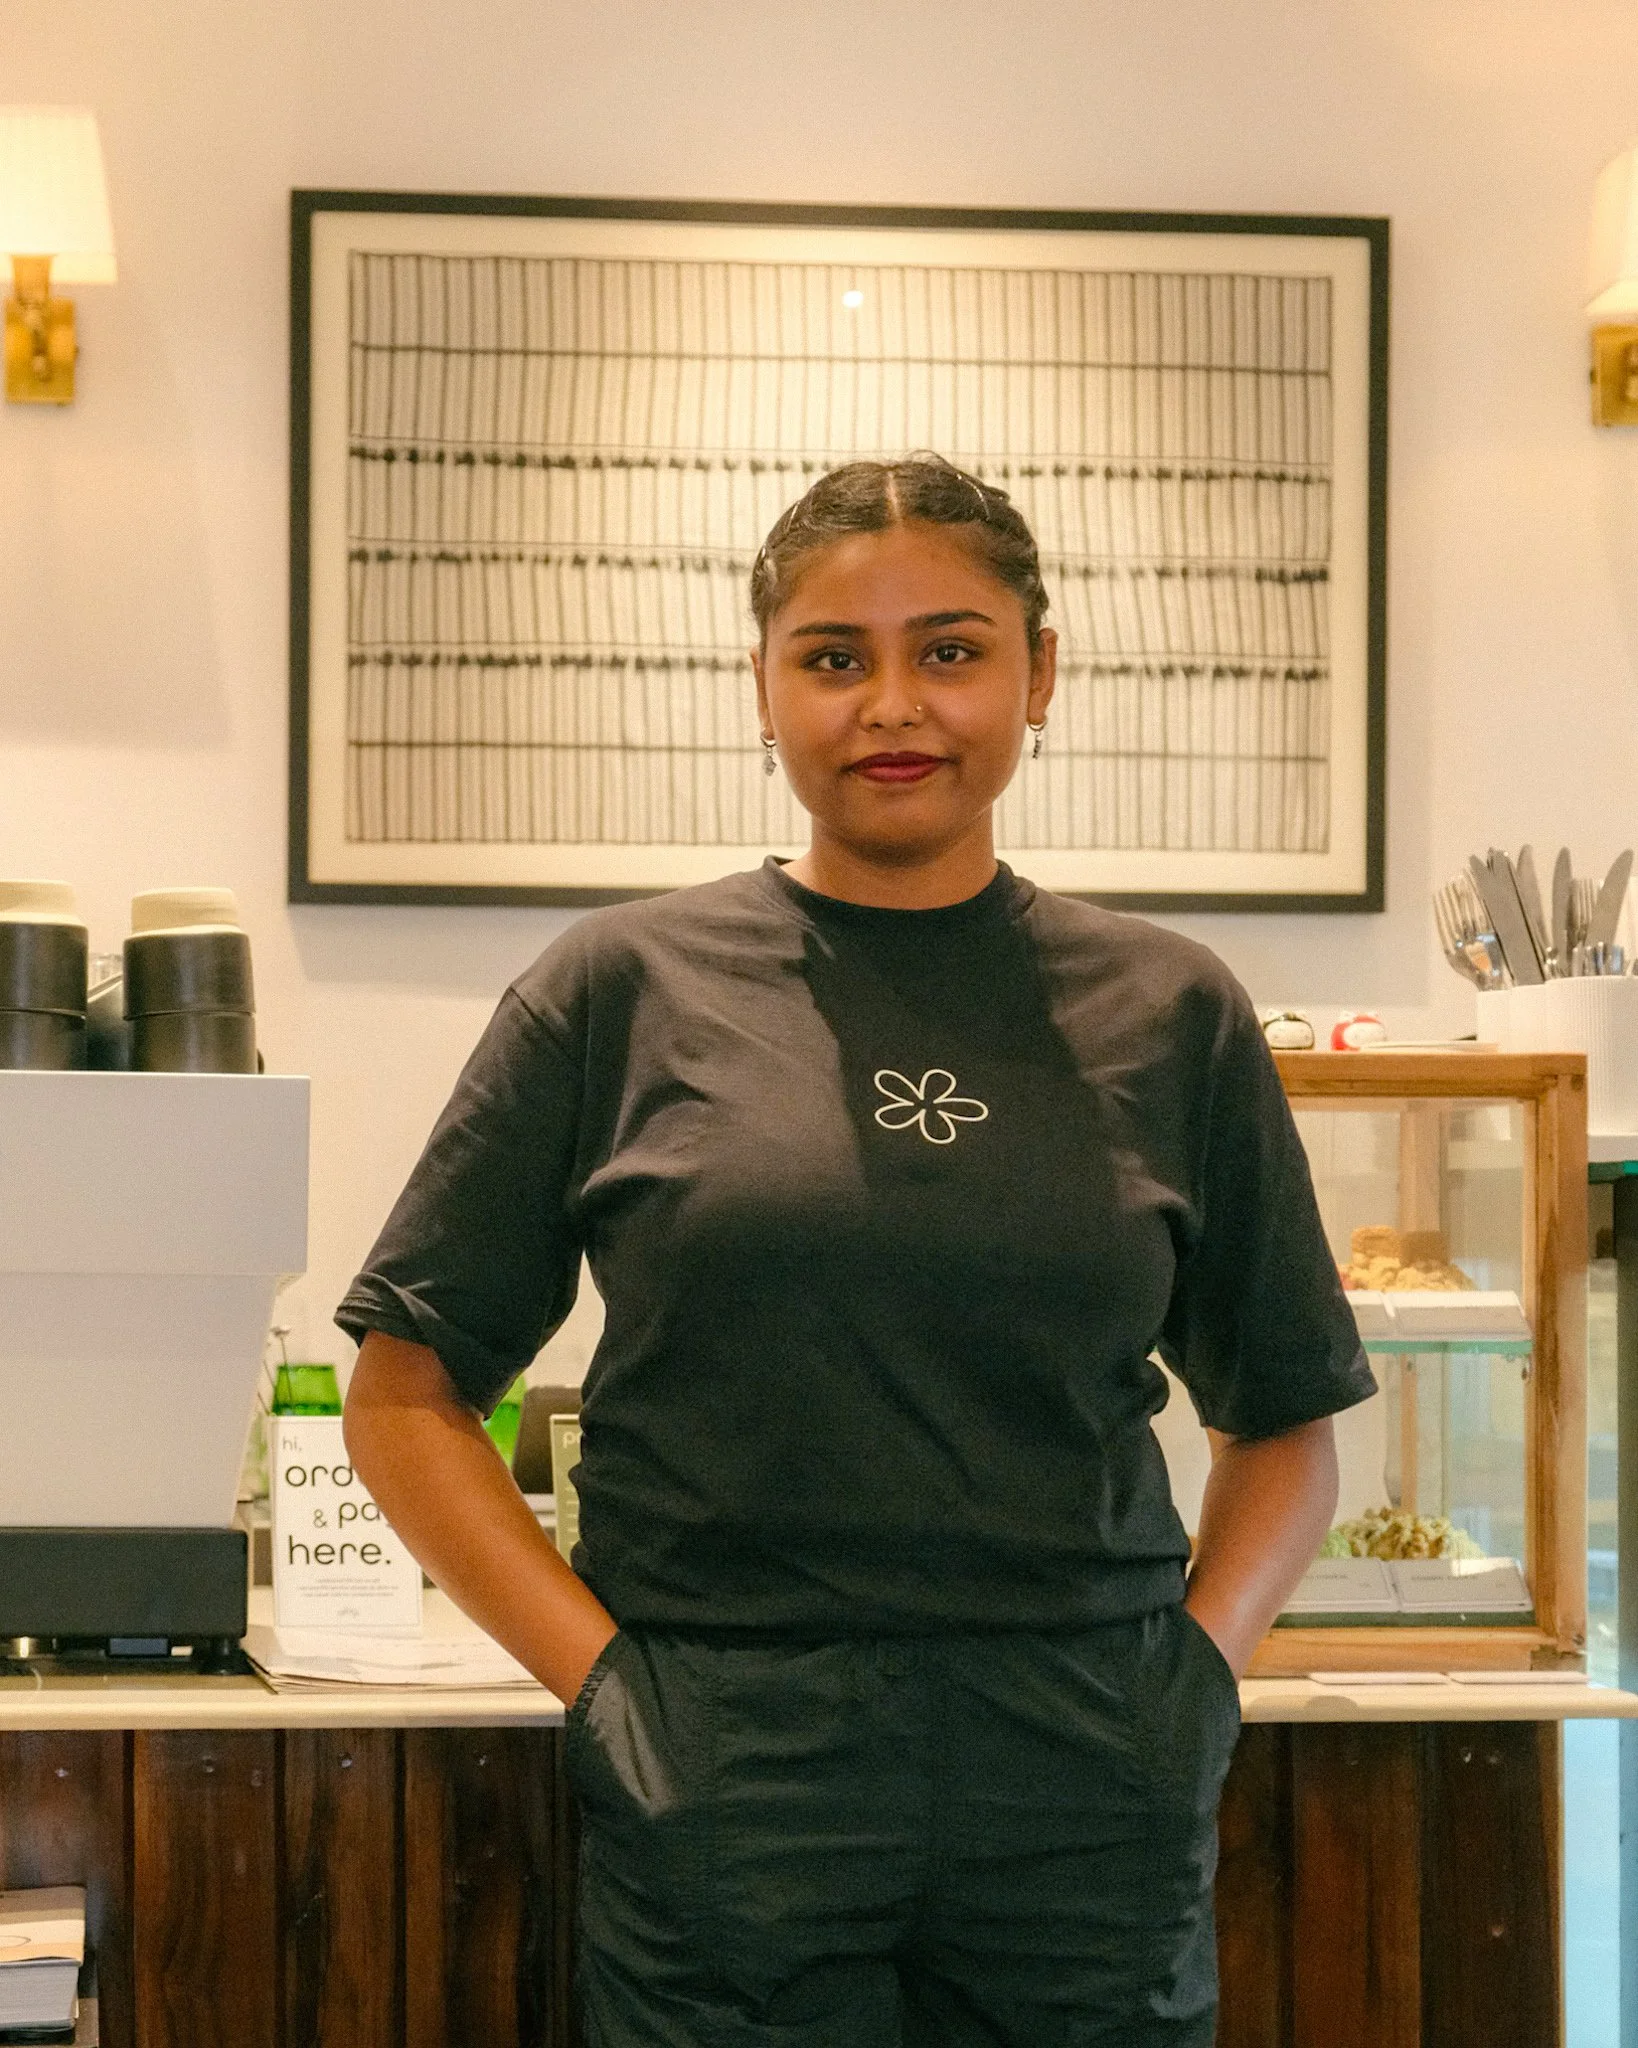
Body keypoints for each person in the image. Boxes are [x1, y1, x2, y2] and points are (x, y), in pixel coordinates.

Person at [339, 454, 1374, 2047]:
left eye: (949, 651)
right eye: (834, 658)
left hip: (1083, 1764)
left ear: (1041, 676)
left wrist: (1194, 1686)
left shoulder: (1169, 1010)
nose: (893, 704)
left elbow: (1283, 1416)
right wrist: (613, 1695)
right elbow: (406, 1395)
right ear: (763, 691)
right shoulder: (616, 989)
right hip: (723, 1762)